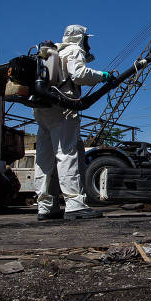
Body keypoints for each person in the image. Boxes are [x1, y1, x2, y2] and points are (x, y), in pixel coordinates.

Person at [33, 24, 113, 221]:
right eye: (86, 39)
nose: (88, 43)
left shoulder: (54, 52)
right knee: (67, 155)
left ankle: (45, 206)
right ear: (80, 38)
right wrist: (102, 76)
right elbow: (79, 74)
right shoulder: (74, 50)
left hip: (43, 109)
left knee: (44, 159)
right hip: (63, 108)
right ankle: (75, 205)